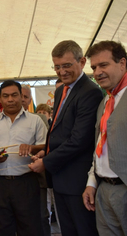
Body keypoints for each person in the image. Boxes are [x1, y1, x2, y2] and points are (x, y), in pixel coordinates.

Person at [29, 40, 103, 236]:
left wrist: (46, 161)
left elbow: (79, 140)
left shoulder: (90, 92)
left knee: (83, 230)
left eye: (67, 65)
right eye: (57, 67)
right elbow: (58, 130)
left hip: (78, 180)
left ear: (82, 61)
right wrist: (46, 150)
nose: (61, 72)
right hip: (61, 177)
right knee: (67, 230)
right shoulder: (62, 89)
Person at [0, 80, 47, 236]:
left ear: (21, 97)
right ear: (1, 99)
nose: (10, 99)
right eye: (6, 96)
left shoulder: (35, 120)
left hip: (27, 182)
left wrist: (32, 147)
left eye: (14, 95)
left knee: (31, 228)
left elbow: (46, 146)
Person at [82, 40, 127, 235]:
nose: (97, 72)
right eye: (93, 67)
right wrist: (92, 183)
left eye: (104, 65)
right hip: (103, 190)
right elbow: (99, 146)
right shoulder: (105, 101)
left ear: (122, 63)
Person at [20, 84, 50, 236]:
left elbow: (47, 145)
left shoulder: (40, 118)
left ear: (31, 100)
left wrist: (31, 149)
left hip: (37, 176)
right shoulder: (0, 121)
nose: (23, 99)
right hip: (16, 178)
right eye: (21, 96)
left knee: (41, 215)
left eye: (26, 97)